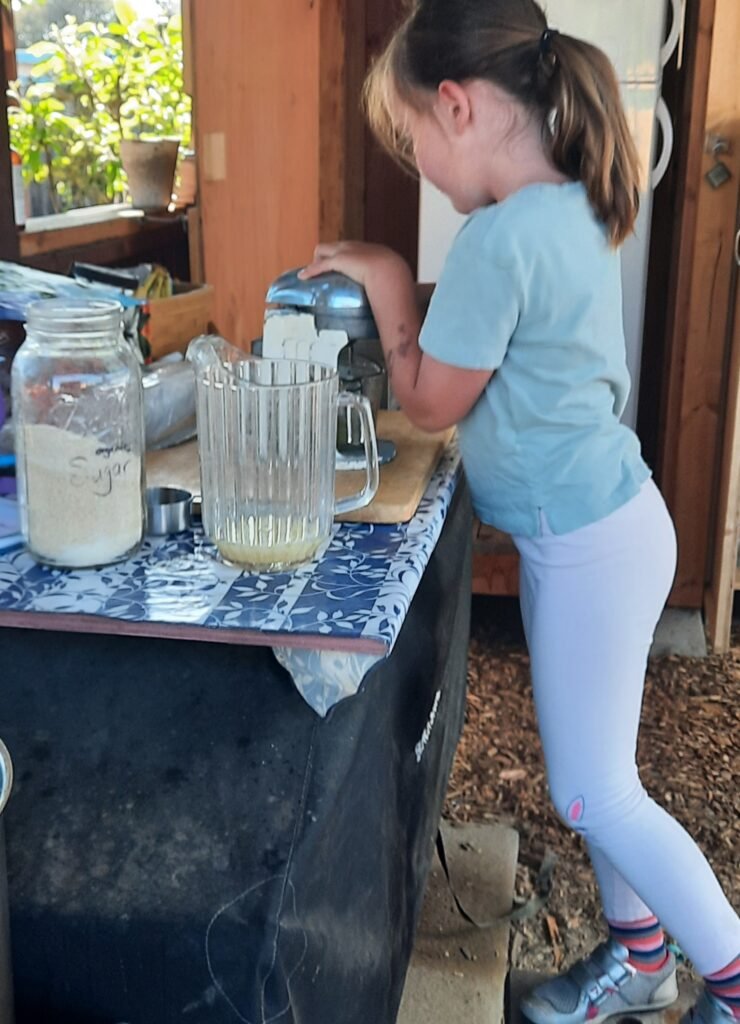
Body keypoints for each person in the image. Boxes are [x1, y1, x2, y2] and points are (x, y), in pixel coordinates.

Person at [299, 0, 740, 1019]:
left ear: (453, 106)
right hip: (602, 530)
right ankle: (638, 964)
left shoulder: (499, 237)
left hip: (584, 544)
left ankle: (727, 971)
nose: (419, 164)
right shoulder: (568, 202)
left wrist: (381, 276)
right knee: (599, 775)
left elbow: (426, 399)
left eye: (409, 140)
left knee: (591, 789)